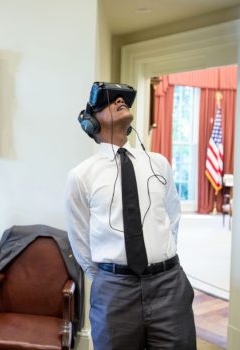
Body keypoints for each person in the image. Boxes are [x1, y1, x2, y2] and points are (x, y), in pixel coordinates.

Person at [64, 82, 196, 349]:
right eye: (109, 101)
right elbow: (80, 242)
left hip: (168, 285)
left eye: (123, 99)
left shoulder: (158, 163)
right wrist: (109, 277)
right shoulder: (81, 176)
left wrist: (160, 260)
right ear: (90, 122)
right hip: (115, 292)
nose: (120, 101)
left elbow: (172, 218)